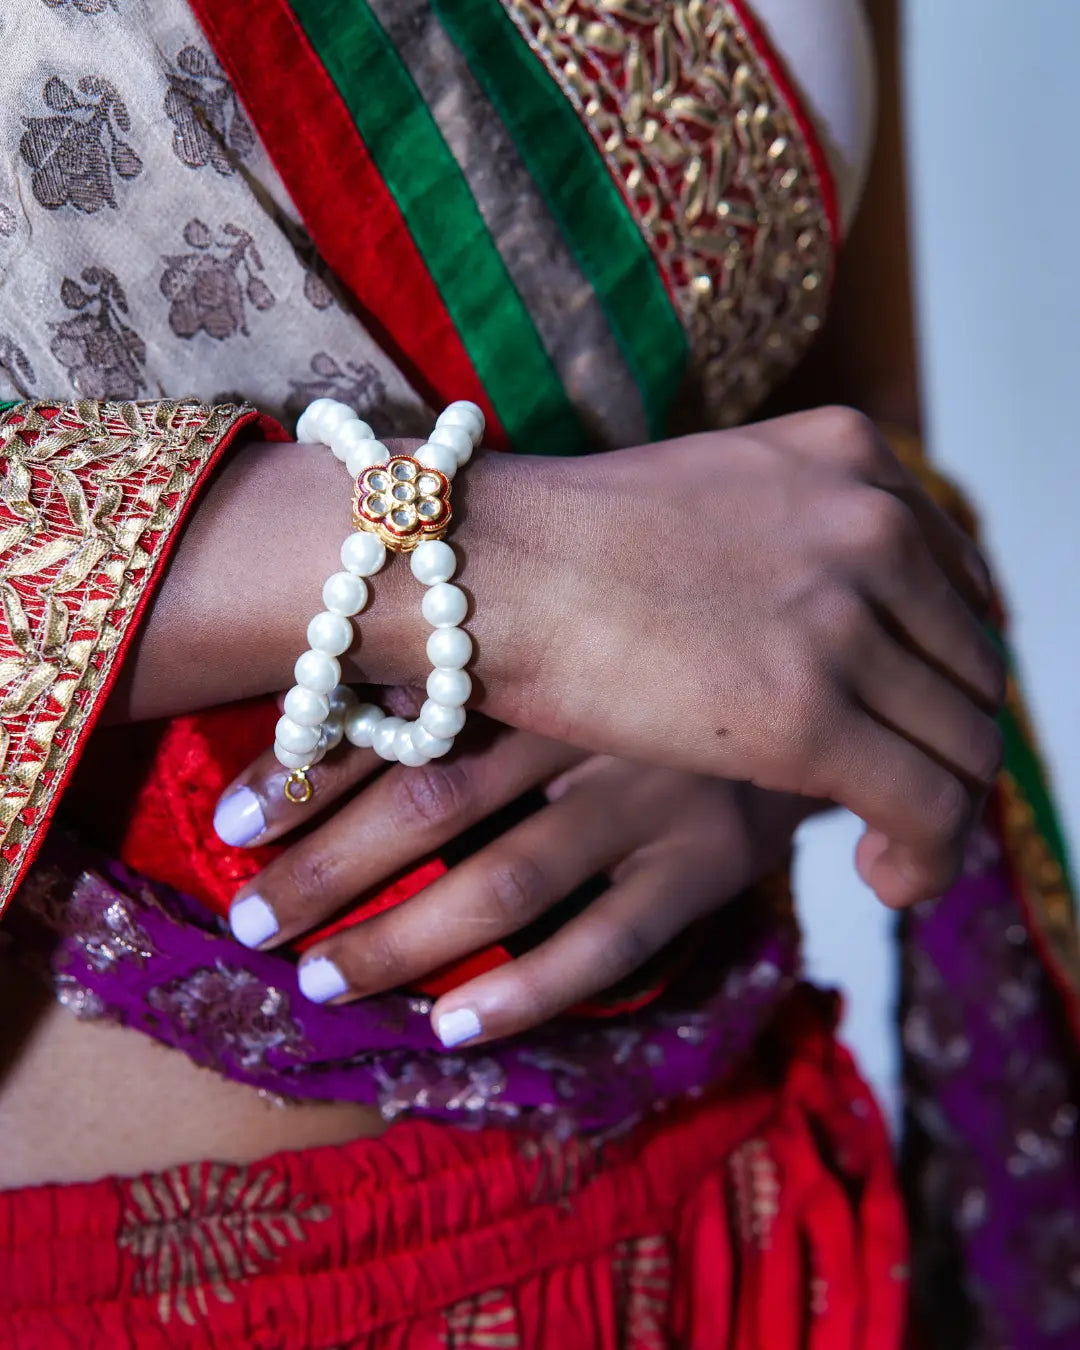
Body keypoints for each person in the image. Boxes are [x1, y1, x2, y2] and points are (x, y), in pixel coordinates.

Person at [0, 1, 1075, 1345]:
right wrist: (484, 564)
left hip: (729, 1227)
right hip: (158, 1289)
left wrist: (751, 736)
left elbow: (847, 466)